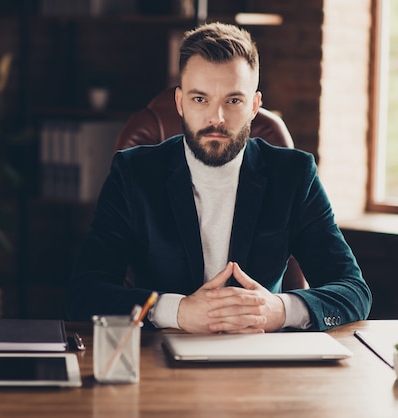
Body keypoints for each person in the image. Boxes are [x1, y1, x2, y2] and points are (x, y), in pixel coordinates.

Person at [65, 22, 371, 333]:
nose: (217, 118)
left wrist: (279, 310)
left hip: (263, 359)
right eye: (200, 99)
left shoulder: (294, 175)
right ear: (180, 102)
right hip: (160, 359)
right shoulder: (133, 174)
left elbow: (354, 292)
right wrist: (177, 311)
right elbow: (85, 294)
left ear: (254, 106)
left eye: (233, 100)